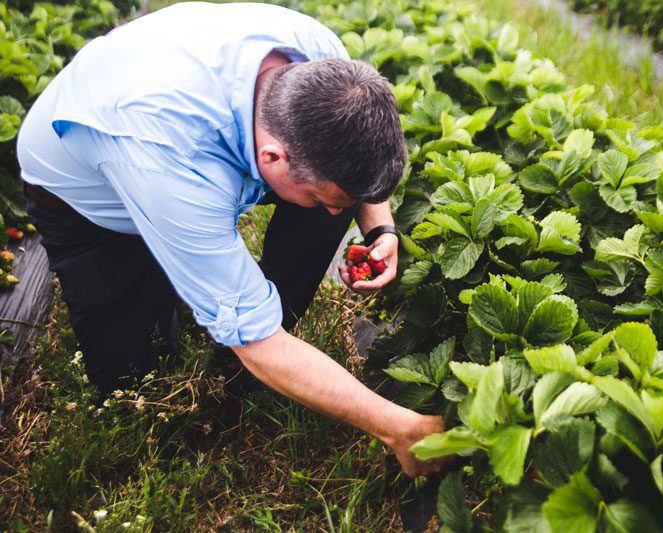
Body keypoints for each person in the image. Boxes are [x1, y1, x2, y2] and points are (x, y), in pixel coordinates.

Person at [16, 2, 447, 477]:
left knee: (322, 205)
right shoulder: (171, 155)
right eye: (328, 197)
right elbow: (256, 339)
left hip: (180, 144)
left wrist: (379, 227)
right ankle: (242, 340)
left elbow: (349, 171)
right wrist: (399, 427)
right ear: (273, 156)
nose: (336, 213)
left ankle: (253, 357)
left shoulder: (326, 66)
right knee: (137, 383)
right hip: (86, 200)